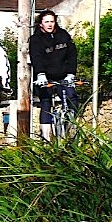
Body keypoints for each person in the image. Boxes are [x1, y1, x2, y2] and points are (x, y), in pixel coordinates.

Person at [29, 10, 78, 141]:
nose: (49, 24)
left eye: (52, 21)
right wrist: (40, 75)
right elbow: (36, 58)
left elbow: (72, 55)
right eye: (46, 22)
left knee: (71, 97)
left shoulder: (63, 35)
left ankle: (70, 132)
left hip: (63, 75)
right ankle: (46, 138)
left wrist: (71, 74)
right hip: (45, 76)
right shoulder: (36, 39)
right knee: (46, 102)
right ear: (41, 24)